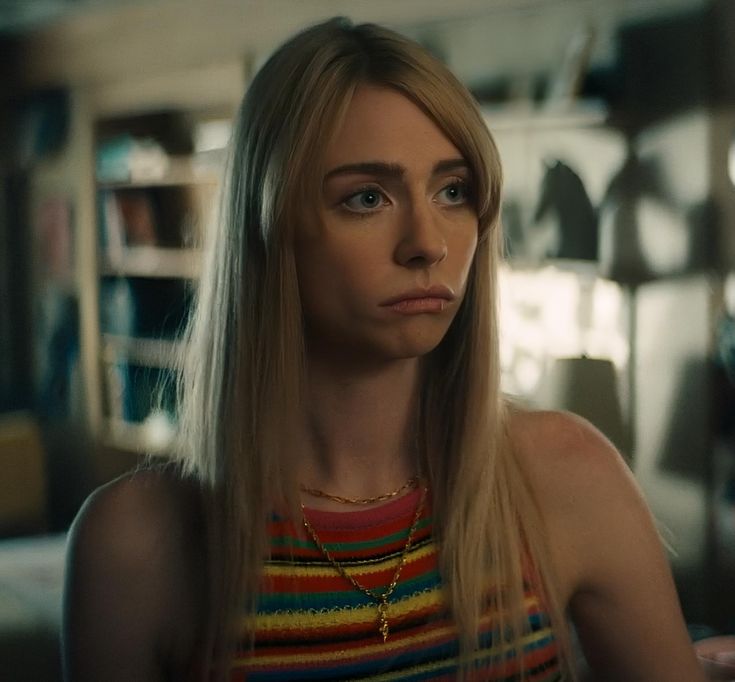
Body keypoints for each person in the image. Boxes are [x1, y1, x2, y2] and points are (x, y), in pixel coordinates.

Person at [61, 17, 708, 682]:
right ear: (268, 227)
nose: (427, 243)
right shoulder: (138, 545)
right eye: (366, 198)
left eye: (452, 191)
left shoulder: (567, 478)